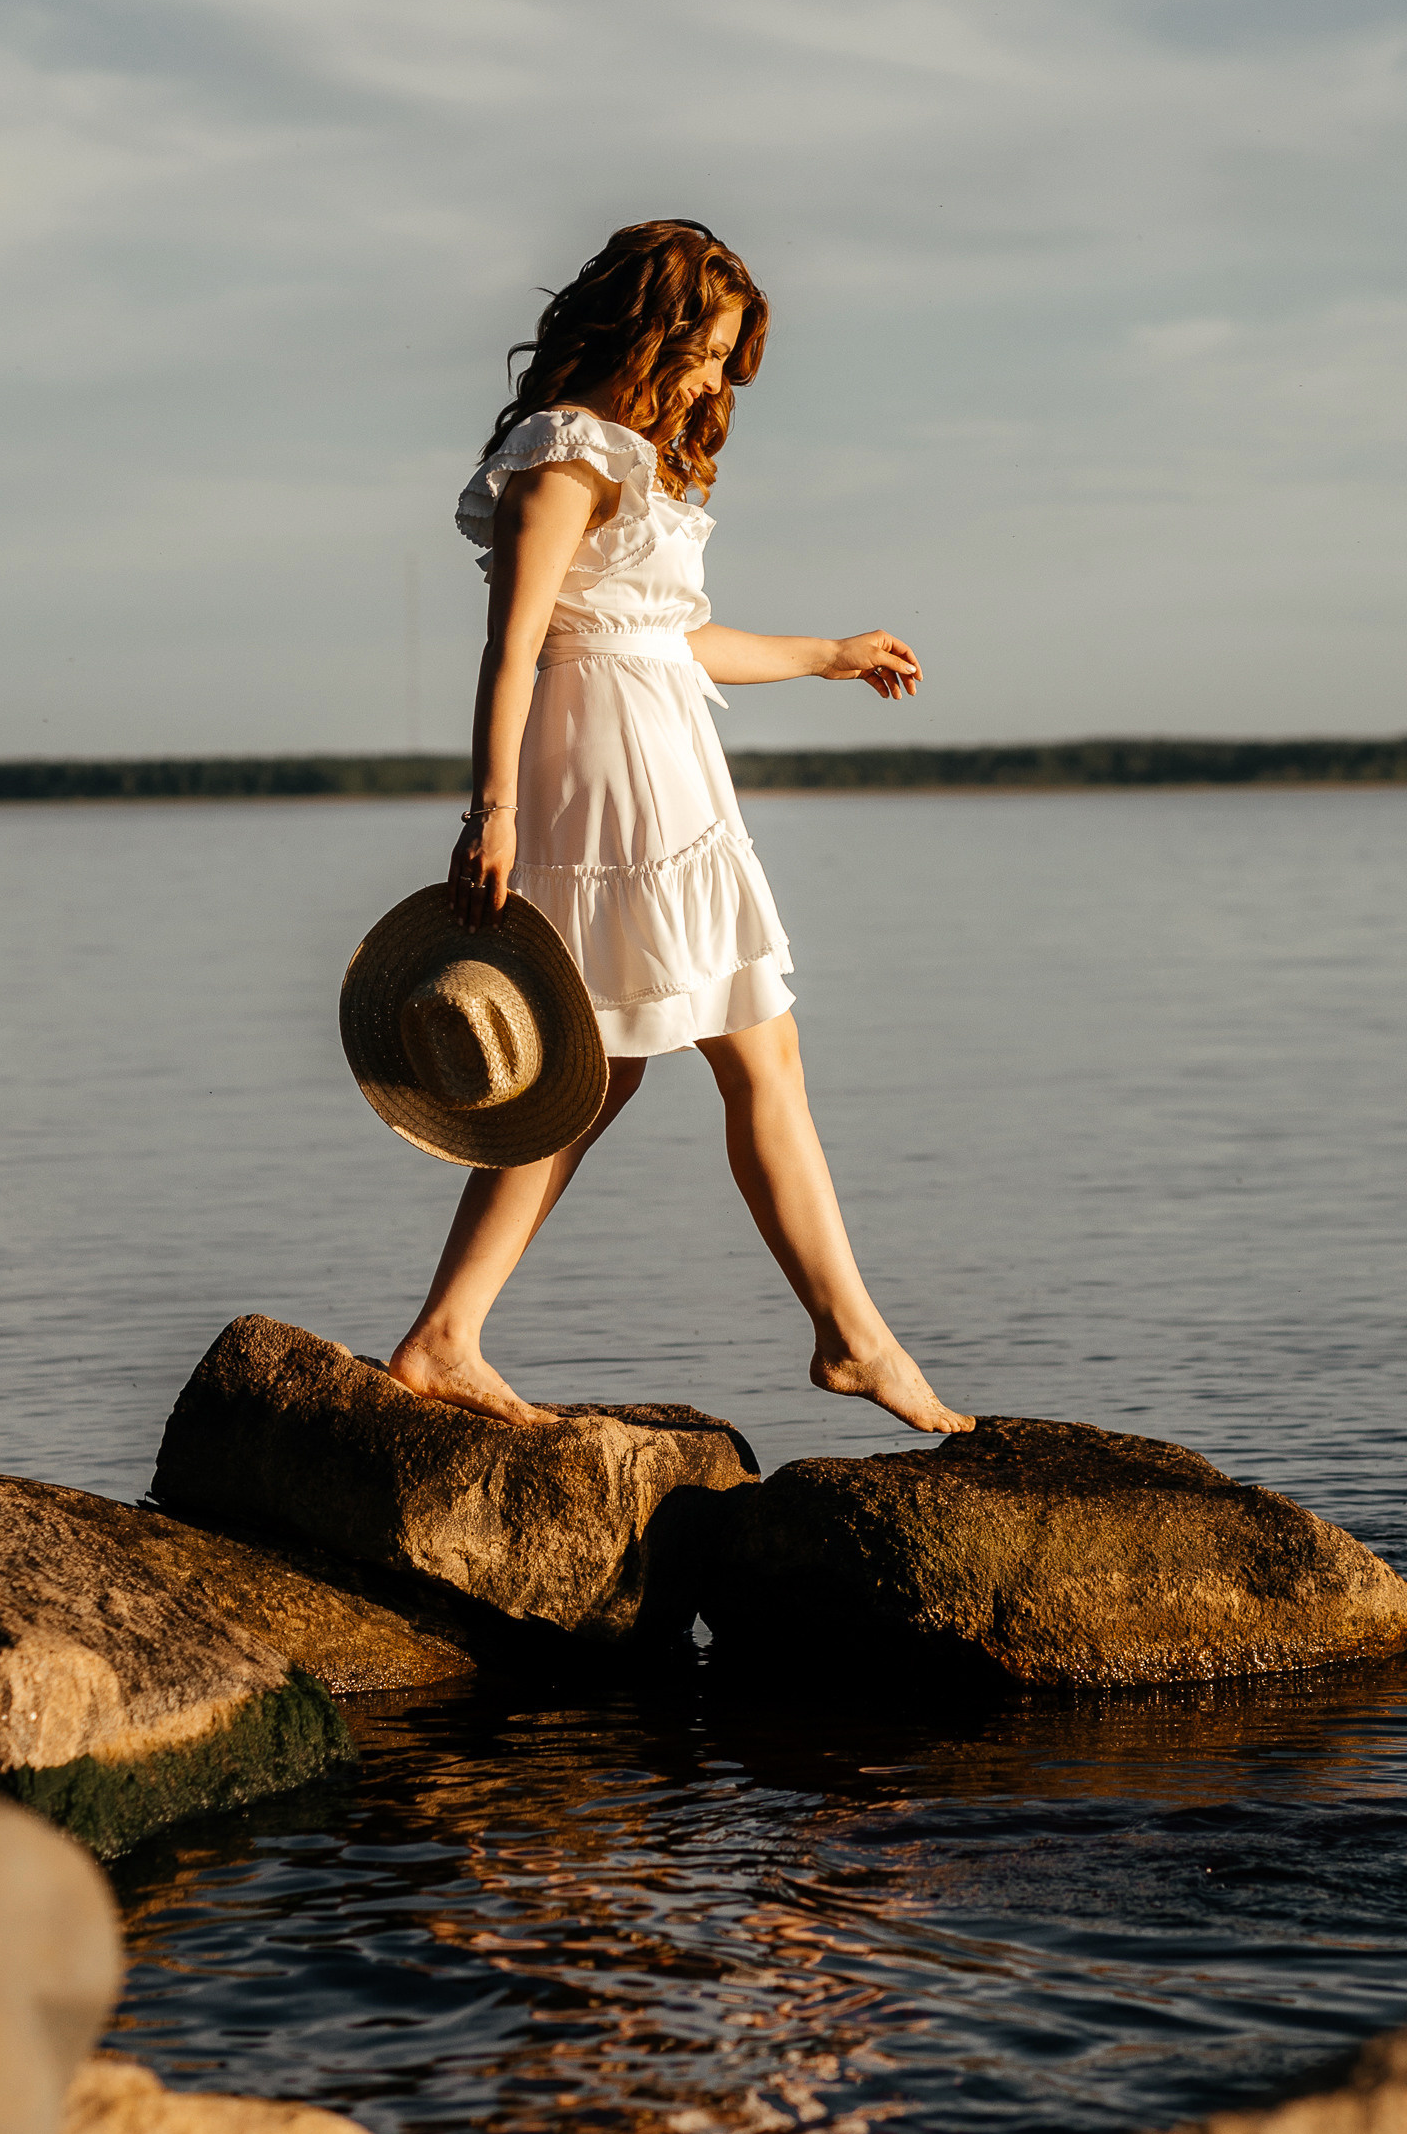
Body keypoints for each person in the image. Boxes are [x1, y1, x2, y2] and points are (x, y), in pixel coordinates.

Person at [387, 219, 971, 1438]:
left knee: (602, 1072)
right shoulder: (564, 453)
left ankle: (448, 1334)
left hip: (658, 758)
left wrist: (828, 655)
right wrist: (488, 810)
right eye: (702, 353)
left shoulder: (626, 456)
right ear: (640, 329)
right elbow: (516, 646)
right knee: (726, 1053)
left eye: (723, 363)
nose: (713, 382)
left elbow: (666, 636)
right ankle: (850, 1339)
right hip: (612, 779)